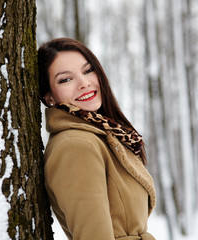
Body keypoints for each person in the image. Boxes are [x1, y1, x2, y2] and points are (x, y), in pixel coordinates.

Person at [38, 38, 156, 240]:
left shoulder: (101, 136)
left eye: (88, 71)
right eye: (66, 79)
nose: (84, 84)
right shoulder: (75, 146)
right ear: (49, 97)